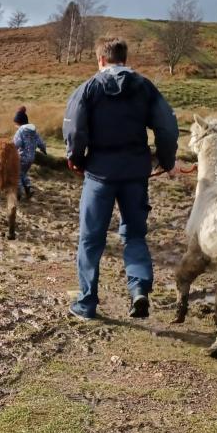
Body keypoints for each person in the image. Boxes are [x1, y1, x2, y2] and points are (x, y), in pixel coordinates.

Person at [63, 37, 179, 320]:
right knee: (135, 235)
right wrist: (167, 160)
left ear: (100, 60)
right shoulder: (145, 87)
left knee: (91, 239)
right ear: (124, 59)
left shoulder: (88, 89)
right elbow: (167, 127)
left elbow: (76, 130)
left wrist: (76, 160)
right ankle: (138, 289)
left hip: (99, 174)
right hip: (135, 174)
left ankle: (87, 302)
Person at [13, 106, 47, 199]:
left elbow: (17, 143)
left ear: (18, 122)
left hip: (21, 156)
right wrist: (44, 149)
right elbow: (40, 142)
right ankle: (29, 188)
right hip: (31, 157)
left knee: (17, 173)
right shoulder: (33, 131)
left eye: (15, 124)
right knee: (23, 172)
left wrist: (11, 150)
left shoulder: (20, 131)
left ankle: (18, 191)